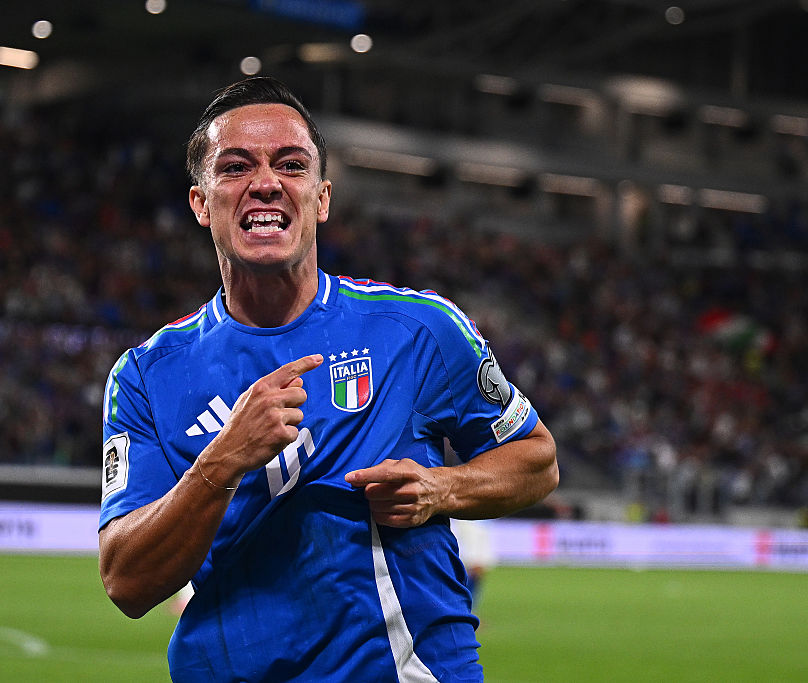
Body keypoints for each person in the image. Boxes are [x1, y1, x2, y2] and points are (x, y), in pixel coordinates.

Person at [98, 76, 558, 682]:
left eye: (291, 165)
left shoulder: (418, 331)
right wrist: (223, 460)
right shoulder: (145, 376)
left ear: (321, 199)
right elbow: (126, 581)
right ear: (201, 204)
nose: (266, 182)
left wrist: (440, 488)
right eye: (235, 167)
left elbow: (537, 461)